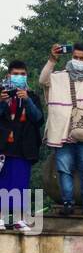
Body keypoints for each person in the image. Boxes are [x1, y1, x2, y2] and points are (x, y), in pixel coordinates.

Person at [40, 41, 83, 215]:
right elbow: (42, 80)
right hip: (62, 131)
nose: (77, 60)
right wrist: (52, 59)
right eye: (75, 57)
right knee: (63, 169)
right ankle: (67, 204)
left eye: (81, 58)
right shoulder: (59, 76)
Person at [0, 60, 43, 231]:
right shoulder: (2, 94)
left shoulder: (32, 96)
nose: (19, 77)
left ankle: (18, 219)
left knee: (20, 183)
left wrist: (27, 101)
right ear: (8, 75)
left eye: (22, 74)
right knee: (3, 184)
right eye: (15, 74)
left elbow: (38, 119)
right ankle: (2, 218)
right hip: (3, 147)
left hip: (24, 148)